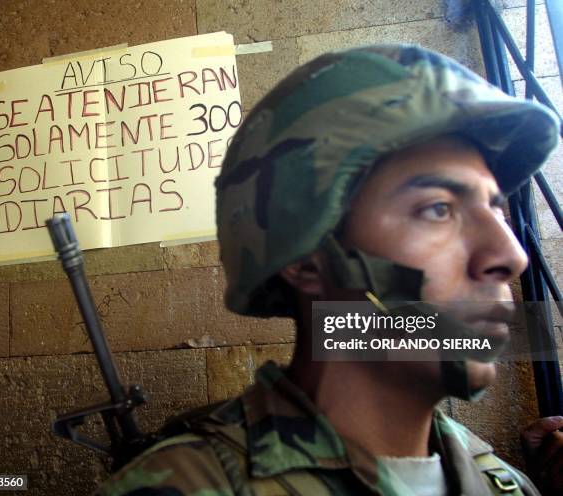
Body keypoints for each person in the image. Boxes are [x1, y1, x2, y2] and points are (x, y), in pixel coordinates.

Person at [96, 44, 561, 495]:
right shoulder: (186, 486)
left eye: (497, 211)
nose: (510, 255)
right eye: (438, 209)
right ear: (304, 260)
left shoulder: (506, 483)